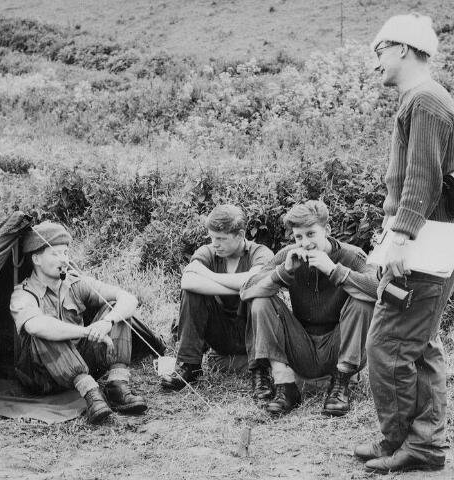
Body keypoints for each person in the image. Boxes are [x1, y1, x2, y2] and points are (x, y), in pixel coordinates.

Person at [354, 13, 454, 474]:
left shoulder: (426, 100)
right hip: (428, 241)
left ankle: (405, 442)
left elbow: (423, 179)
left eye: (379, 52)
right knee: (421, 346)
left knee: (388, 347)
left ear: (402, 49)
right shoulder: (423, 99)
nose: (375, 62)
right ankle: (420, 443)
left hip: (421, 246)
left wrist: (399, 238)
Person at [240, 200, 377, 416]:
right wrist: (283, 272)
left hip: (339, 345)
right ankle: (285, 385)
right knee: (261, 300)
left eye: (311, 234)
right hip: (300, 345)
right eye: (299, 237)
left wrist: (334, 270)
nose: (305, 243)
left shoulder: (352, 255)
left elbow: (379, 290)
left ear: (327, 230)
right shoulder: (289, 254)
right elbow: (246, 289)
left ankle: (341, 384)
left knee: (363, 300)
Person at [10, 221, 148, 424]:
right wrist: (86, 331)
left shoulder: (74, 283)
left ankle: (117, 387)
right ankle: (92, 395)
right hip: (43, 375)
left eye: (65, 253)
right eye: (55, 254)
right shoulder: (23, 294)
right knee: (42, 330)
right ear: (36, 259)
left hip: (80, 364)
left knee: (114, 309)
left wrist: (107, 322)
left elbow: (128, 298)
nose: (64, 259)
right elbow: (35, 325)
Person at [161, 204, 274, 396]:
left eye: (221, 238)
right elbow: (187, 281)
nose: (215, 243)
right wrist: (241, 286)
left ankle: (260, 373)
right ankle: (189, 366)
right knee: (192, 292)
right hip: (221, 332)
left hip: (253, 332)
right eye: (212, 237)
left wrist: (208, 276)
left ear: (240, 235)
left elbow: (256, 281)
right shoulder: (207, 252)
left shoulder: (260, 253)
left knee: (259, 296)